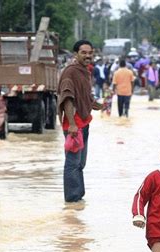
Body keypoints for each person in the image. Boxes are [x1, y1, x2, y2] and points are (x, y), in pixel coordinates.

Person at [57, 40, 102, 203]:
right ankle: (71, 199)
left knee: (80, 163)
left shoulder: (84, 71)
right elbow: (68, 98)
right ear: (76, 54)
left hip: (84, 122)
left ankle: (79, 197)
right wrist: (72, 124)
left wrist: (94, 104)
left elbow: (83, 96)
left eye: (90, 53)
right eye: (84, 52)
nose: (88, 56)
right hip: (74, 125)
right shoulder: (70, 72)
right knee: (72, 162)